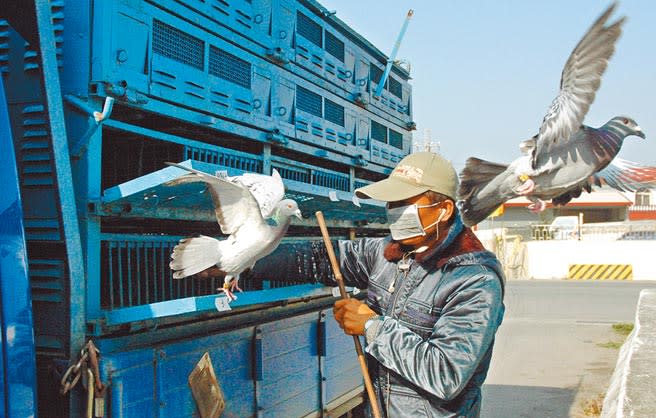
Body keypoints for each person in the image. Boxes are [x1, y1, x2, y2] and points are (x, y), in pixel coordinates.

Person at [330, 151, 505, 417]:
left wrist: (371, 326)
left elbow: (446, 374)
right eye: (391, 203)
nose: (395, 212)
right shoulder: (385, 253)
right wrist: (247, 261)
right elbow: (321, 259)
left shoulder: (474, 280)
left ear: (444, 210)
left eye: (405, 203)